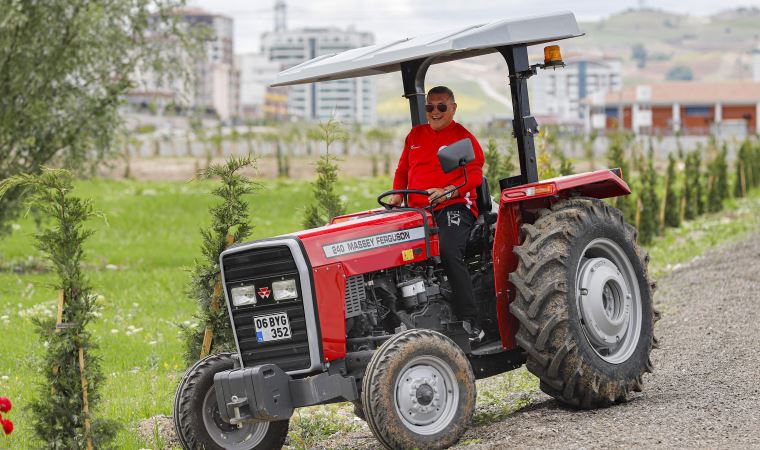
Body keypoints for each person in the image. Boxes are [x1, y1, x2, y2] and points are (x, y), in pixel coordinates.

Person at [389, 86, 486, 340]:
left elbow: (475, 174)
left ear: (453, 108)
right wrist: (398, 195)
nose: (435, 112)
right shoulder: (415, 136)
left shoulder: (462, 138)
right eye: (430, 107)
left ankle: (471, 320)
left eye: (441, 107)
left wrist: (449, 191)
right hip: (417, 211)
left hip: (452, 207)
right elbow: (402, 170)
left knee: (447, 250)